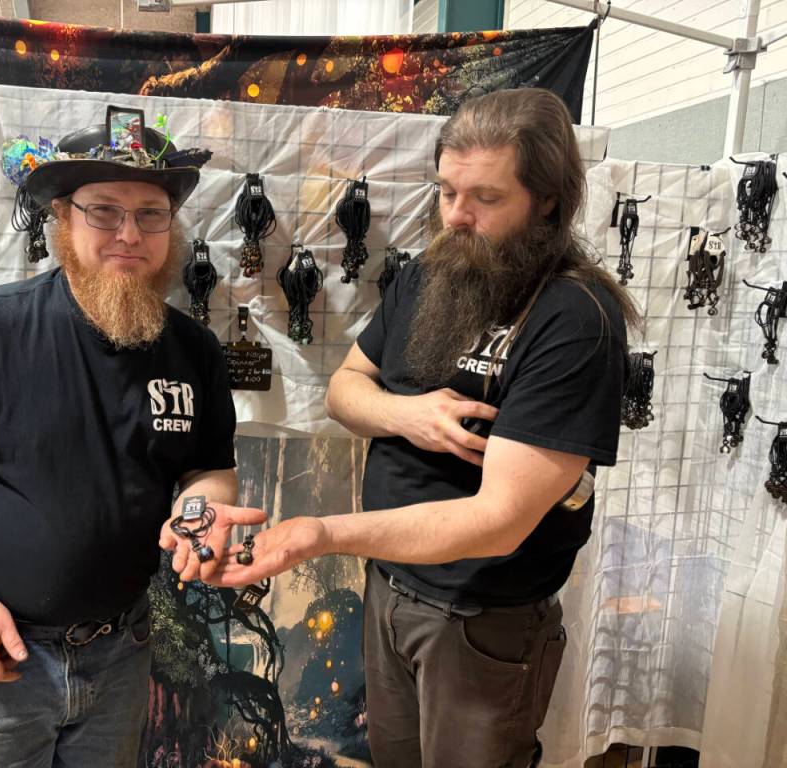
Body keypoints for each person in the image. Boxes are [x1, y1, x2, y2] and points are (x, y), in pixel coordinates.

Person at [201, 88, 640, 768]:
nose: (457, 216)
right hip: (391, 588)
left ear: (547, 200)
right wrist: (412, 414)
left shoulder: (573, 318)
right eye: (446, 192)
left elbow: (499, 519)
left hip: (479, 619)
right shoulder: (433, 275)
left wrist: (321, 533)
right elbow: (345, 392)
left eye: (485, 198)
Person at [0, 109, 263, 768]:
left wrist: (201, 514)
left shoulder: (195, 352)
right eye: (104, 210)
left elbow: (207, 469)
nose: (130, 233)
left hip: (121, 654)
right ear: (63, 220)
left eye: (151, 214)